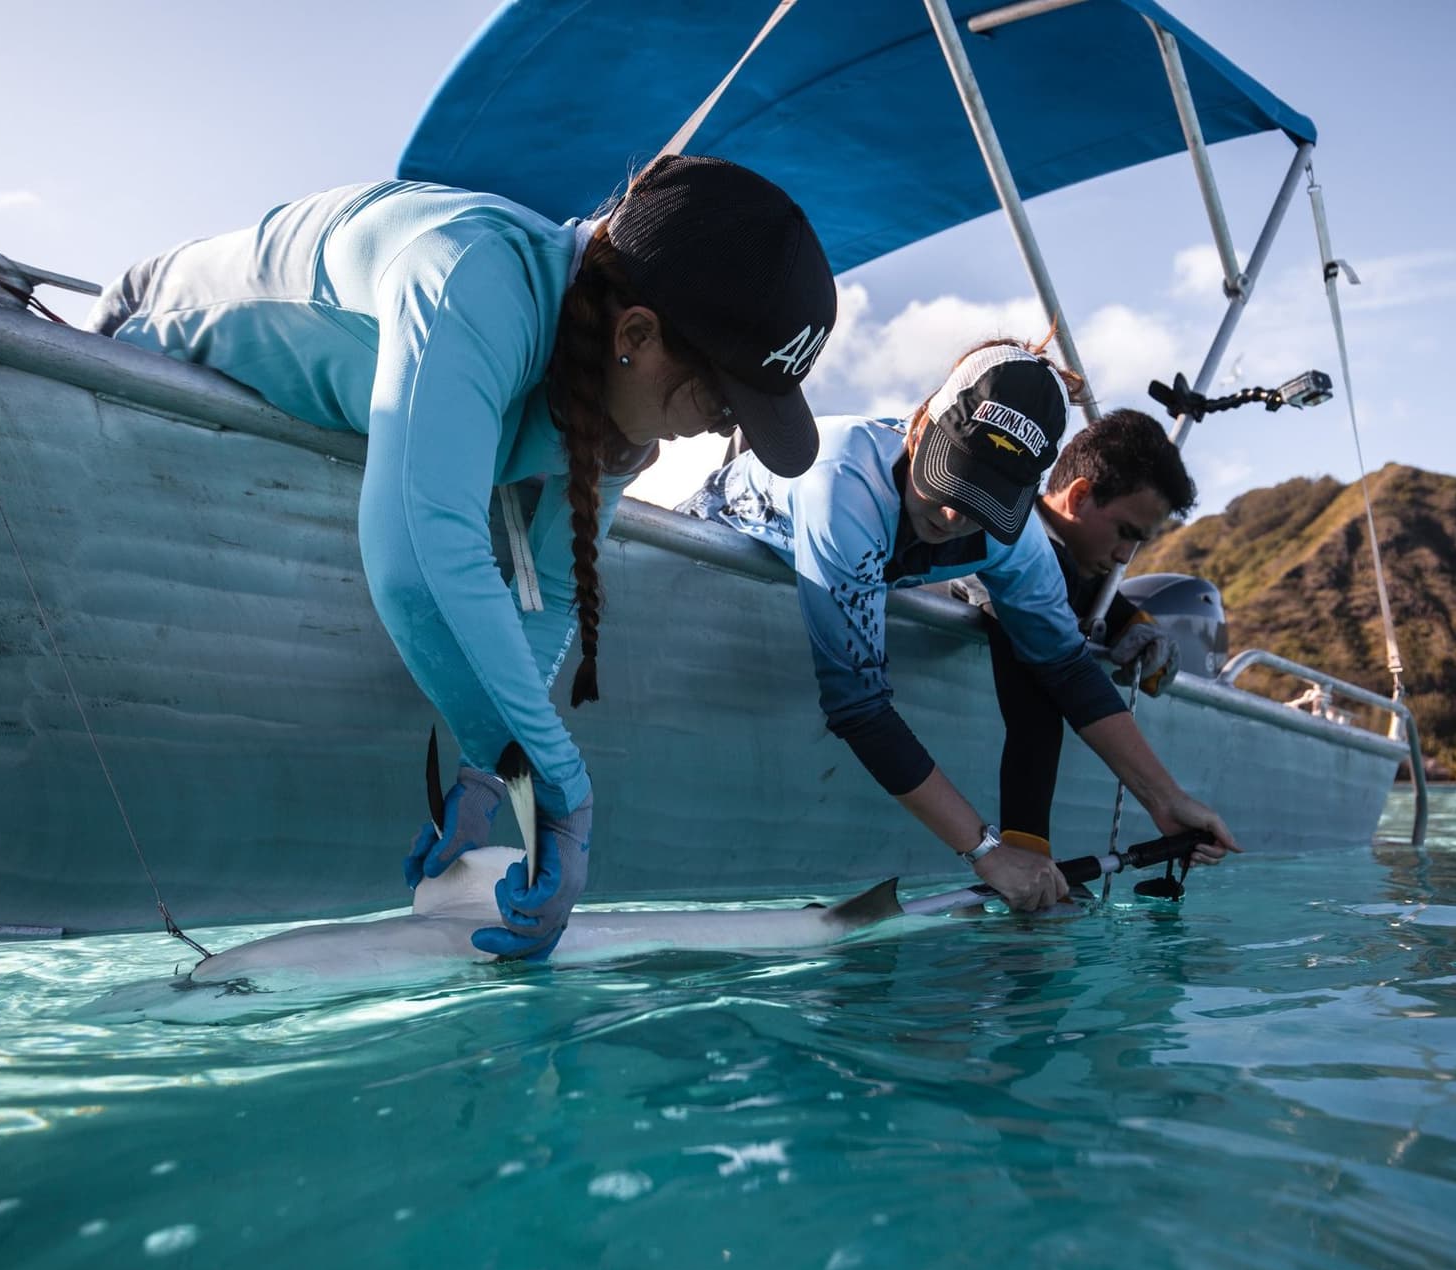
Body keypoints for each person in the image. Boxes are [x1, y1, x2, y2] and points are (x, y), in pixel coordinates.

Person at [89, 155, 837, 959]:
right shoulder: (473, 277)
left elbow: (546, 592)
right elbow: (415, 556)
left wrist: (489, 768)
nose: (721, 431)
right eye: (722, 400)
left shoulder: (614, 415)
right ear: (637, 334)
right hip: (141, 326)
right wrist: (554, 781)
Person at [680, 338, 1237, 911]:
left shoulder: (1012, 537)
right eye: (955, 478)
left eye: (986, 498)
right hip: (690, 577)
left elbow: (1064, 666)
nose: (953, 516)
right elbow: (857, 706)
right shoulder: (845, 482)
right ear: (919, 427)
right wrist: (988, 853)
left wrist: (1165, 799)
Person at [964, 409, 1198, 858]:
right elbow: (1039, 691)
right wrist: (1028, 852)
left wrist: (1140, 629)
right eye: (1126, 533)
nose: (1125, 555)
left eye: (1139, 543)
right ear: (1080, 495)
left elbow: (1079, 588)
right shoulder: (1003, 536)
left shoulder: (1056, 551)